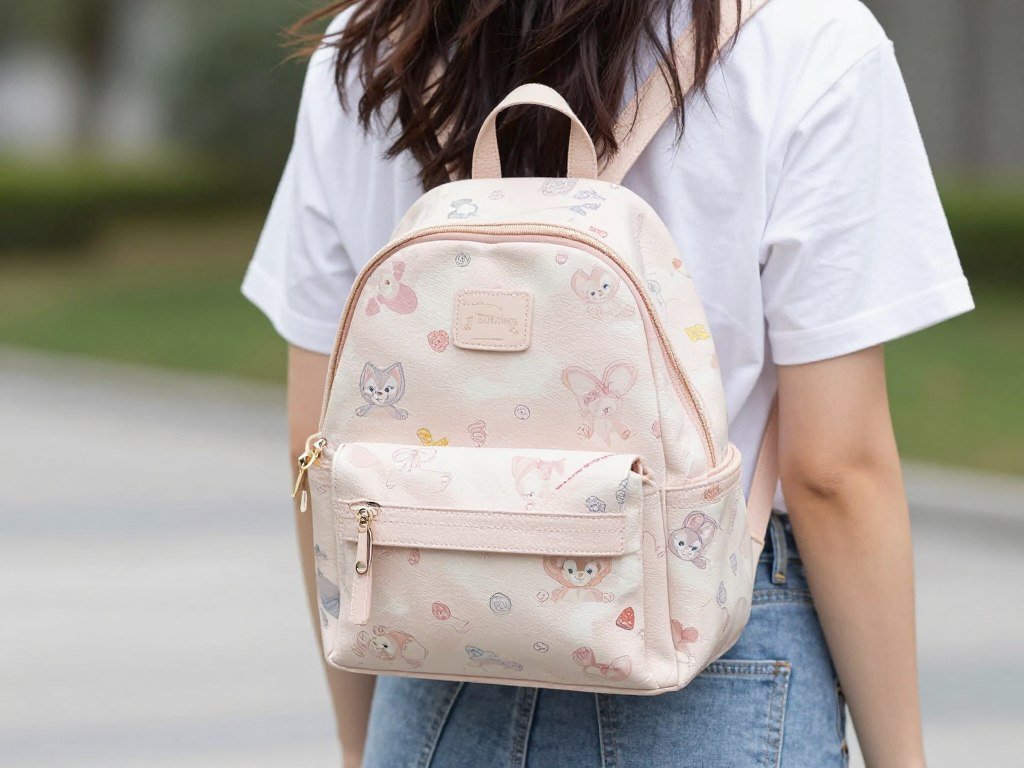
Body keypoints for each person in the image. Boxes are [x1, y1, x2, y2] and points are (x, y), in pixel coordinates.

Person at [241, 0, 973, 765]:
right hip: (712, 653)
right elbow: (834, 473)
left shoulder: (371, 46)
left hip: (433, 657)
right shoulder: (807, 38)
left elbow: (319, 442)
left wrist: (362, 743)